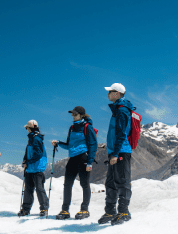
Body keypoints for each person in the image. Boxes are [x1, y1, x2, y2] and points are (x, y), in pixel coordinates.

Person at [51, 106, 97, 220]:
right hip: (72, 158)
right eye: (72, 114)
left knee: (84, 184)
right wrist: (58, 143)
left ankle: (84, 209)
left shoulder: (87, 127)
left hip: (83, 158)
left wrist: (90, 162)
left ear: (81, 115)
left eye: (75, 114)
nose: (73, 116)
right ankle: (65, 210)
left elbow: (93, 145)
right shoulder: (71, 128)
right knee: (67, 184)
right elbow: (69, 145)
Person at [98, 84, 134, 225]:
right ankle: (110, 211)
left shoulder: (123, 110)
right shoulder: (117, 109)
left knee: (122, 181)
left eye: (110, 92)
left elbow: (122, 133)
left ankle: (124, 212)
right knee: (111, 183)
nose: (108, 94)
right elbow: (115, 132)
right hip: (114, 151)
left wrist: (115, 153)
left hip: (121, 152)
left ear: (117, 93)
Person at [19, 120, 49, 217]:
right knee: (28, 189)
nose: (26, 130)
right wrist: (25, 161)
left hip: (37, 168)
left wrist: (28, 162)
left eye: (26, 128)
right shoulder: (32, 138)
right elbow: (27, 153)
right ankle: (25, 209)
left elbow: (38, 154)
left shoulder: (36, 139)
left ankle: (44, 208)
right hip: (30, 168)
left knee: (39, 189)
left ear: (29, 128)